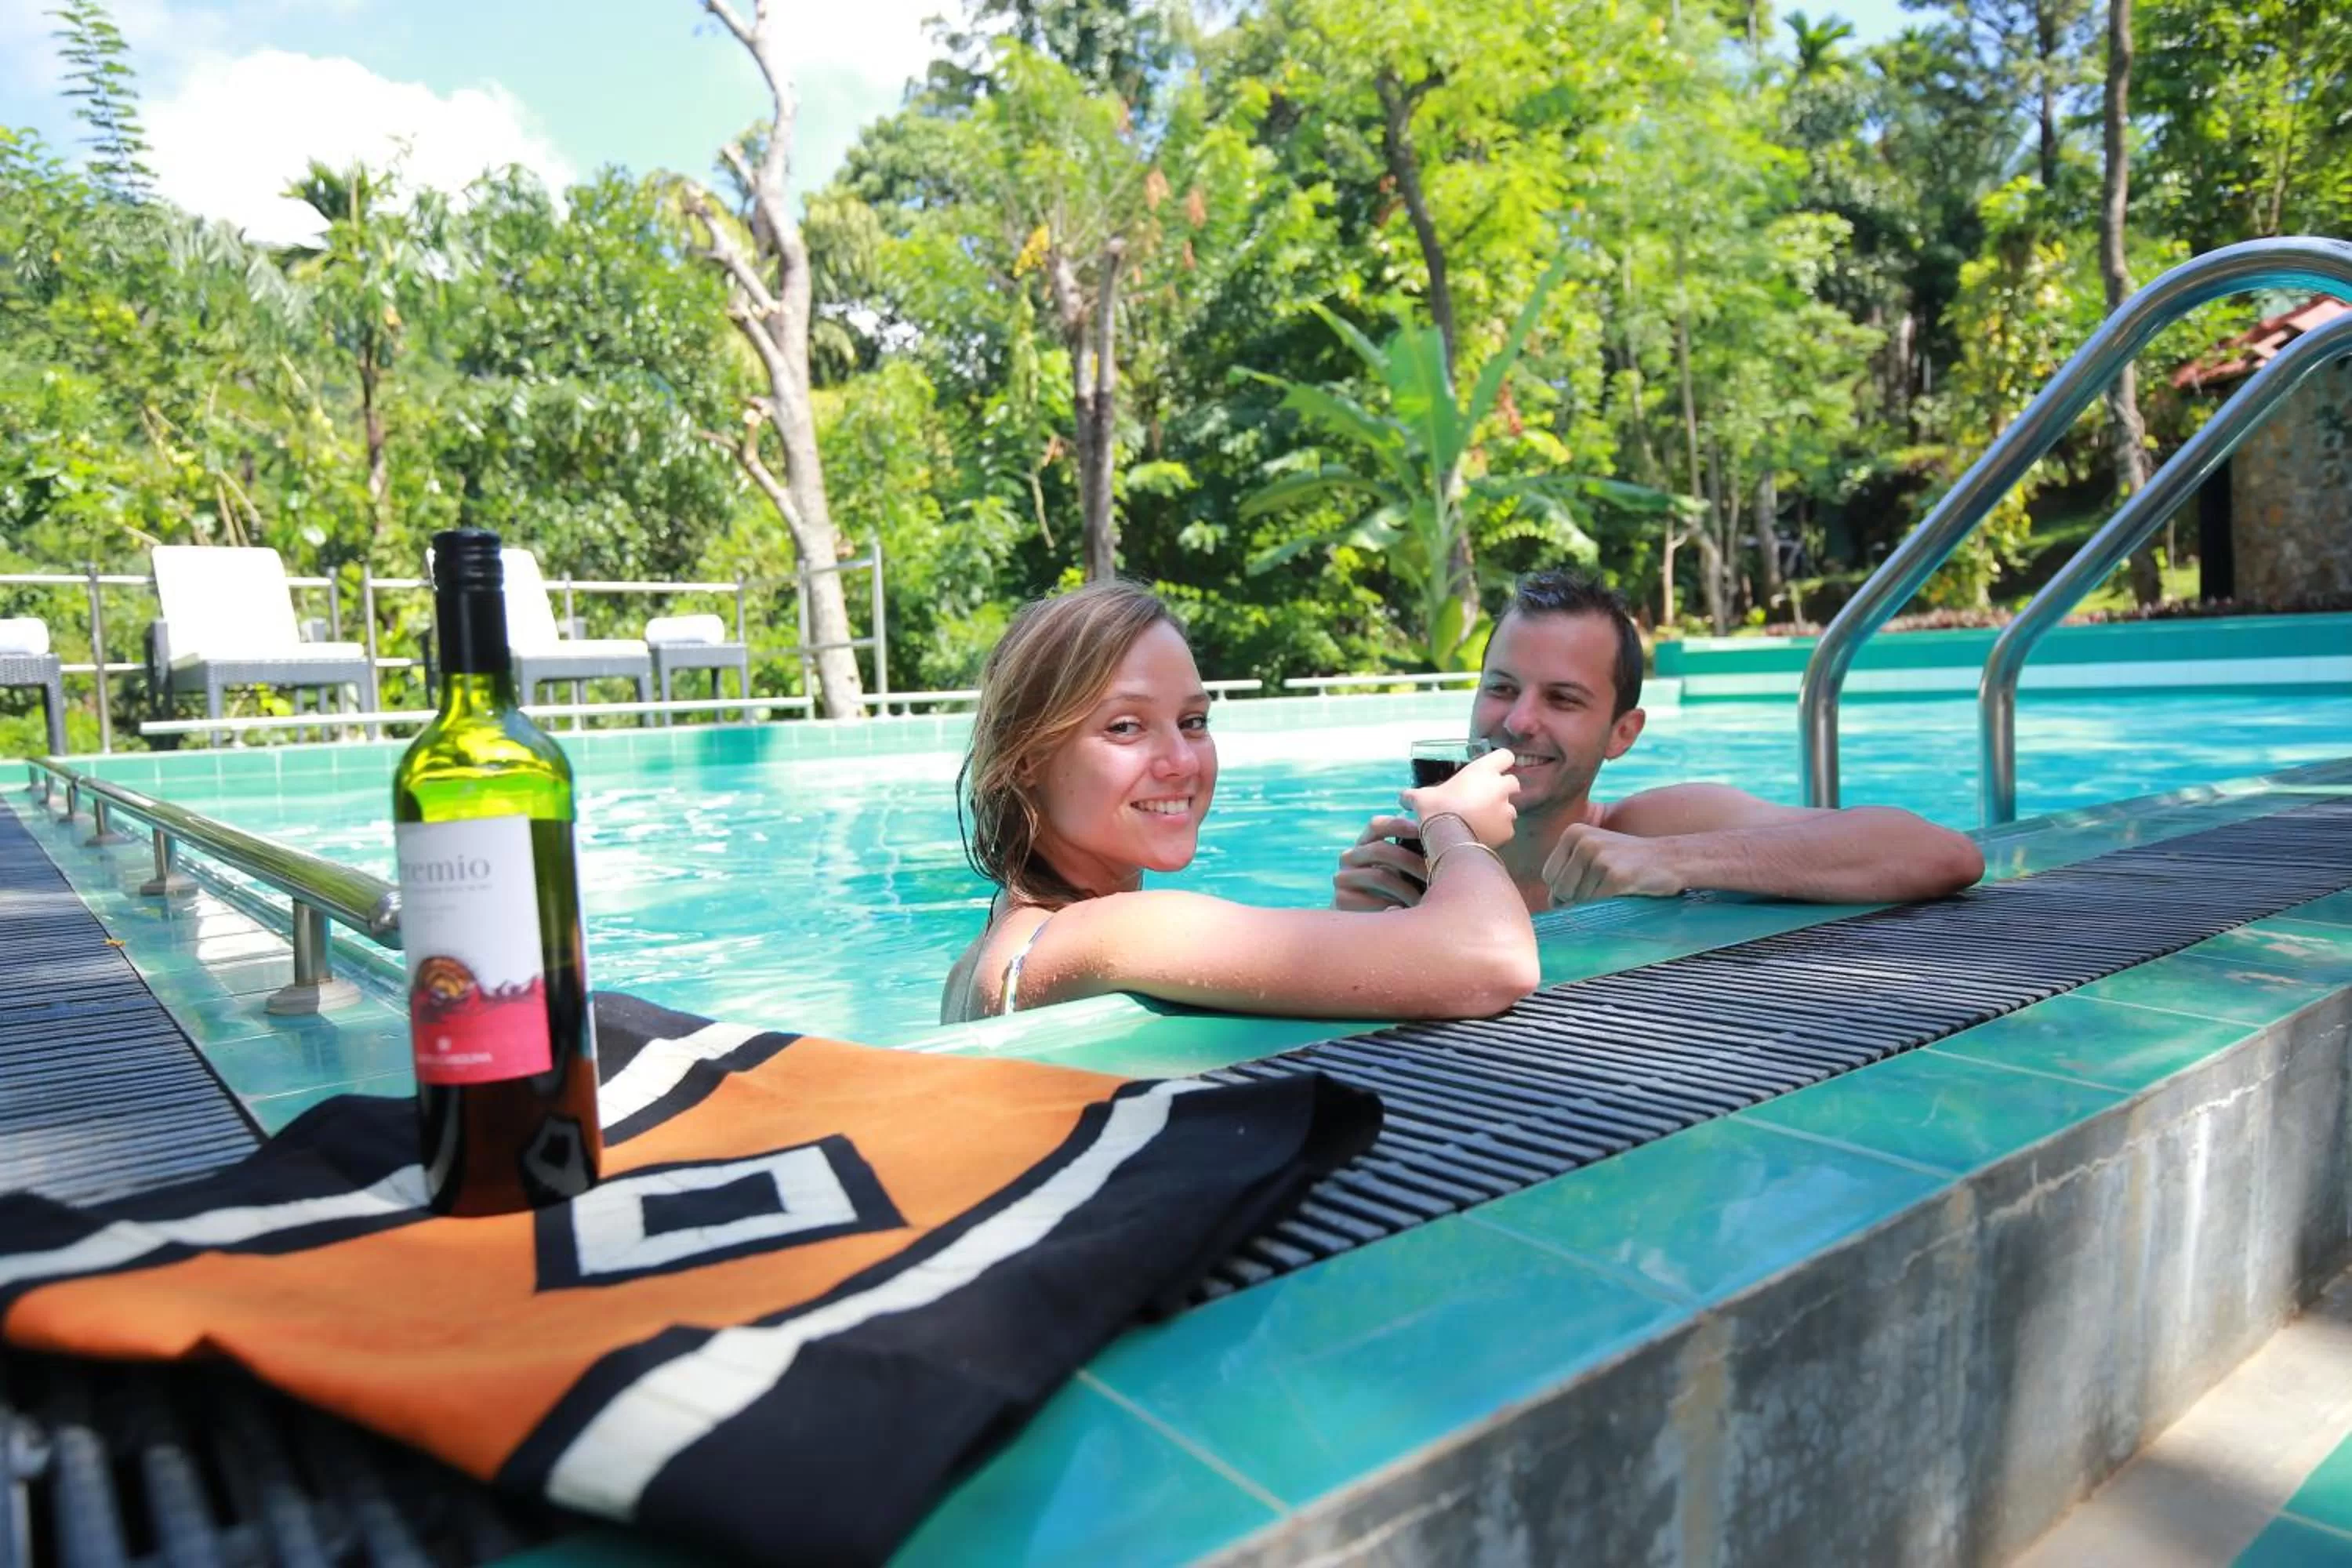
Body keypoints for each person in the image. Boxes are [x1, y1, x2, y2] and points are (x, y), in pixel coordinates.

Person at [944, 580, 1539, 1023]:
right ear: (1027, 760)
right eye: (1125, 727)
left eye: (1193, 721)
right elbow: (1492, 957)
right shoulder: (1107, 933)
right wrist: (1454, 827)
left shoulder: (983, 956)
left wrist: (1349, 931)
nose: (1180, 761)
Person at [1333, 569, 1986, 914]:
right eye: (1502, 688)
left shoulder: (1651, 828)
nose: (1519, 721)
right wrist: (1353, 933)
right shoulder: (1418, 870)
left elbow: (1940, 854)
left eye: (1562, 699)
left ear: (1623, 733)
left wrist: (1678, 862)